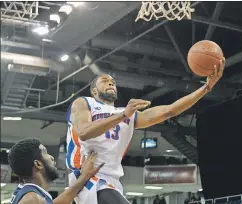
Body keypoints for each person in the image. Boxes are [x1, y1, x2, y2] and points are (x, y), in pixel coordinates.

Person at [66, 58, 225, 204]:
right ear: (94, 91)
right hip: (86, 176)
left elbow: (169, 111)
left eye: (113, 82)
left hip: (112, 180)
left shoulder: (128, 114)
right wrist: (123, 115)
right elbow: (84, 132)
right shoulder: (84, 103)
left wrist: (207, 87)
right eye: (105, 81)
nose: (110, 83)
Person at [8, 138, 103, 204]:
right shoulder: (32, 199)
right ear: (38, 164)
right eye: (45, 153)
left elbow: (58, 202)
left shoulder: (29, 193)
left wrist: (84, 176)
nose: (52, 157)